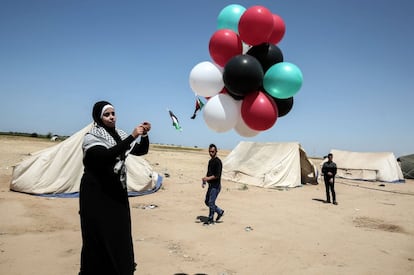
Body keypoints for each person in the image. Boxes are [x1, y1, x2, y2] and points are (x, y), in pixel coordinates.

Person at [79, 100, 151, 275]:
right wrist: (132, 136)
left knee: (119, 230)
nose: (111, 117)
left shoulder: (119, 134)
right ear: (98, 117)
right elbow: (106, 156)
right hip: (96, 192)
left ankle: (120, 267)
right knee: (98, 232)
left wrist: (144, 135)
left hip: (116, 190)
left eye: (113, 113)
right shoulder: (92, 136)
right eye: (107, 114)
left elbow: (141, 151)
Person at [201, 143, 225, 225]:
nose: (211, 153)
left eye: (213, 151)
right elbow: (209, 173)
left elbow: (217, 175)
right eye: (210, 151)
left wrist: (208, 178)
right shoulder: (210, 161)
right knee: (207, 202)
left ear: (216, 151)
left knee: (211, 203)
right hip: (210, 185)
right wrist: (205, 180)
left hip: (216, 186)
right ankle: (220, 211)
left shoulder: (218, 162)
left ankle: (210, 220)